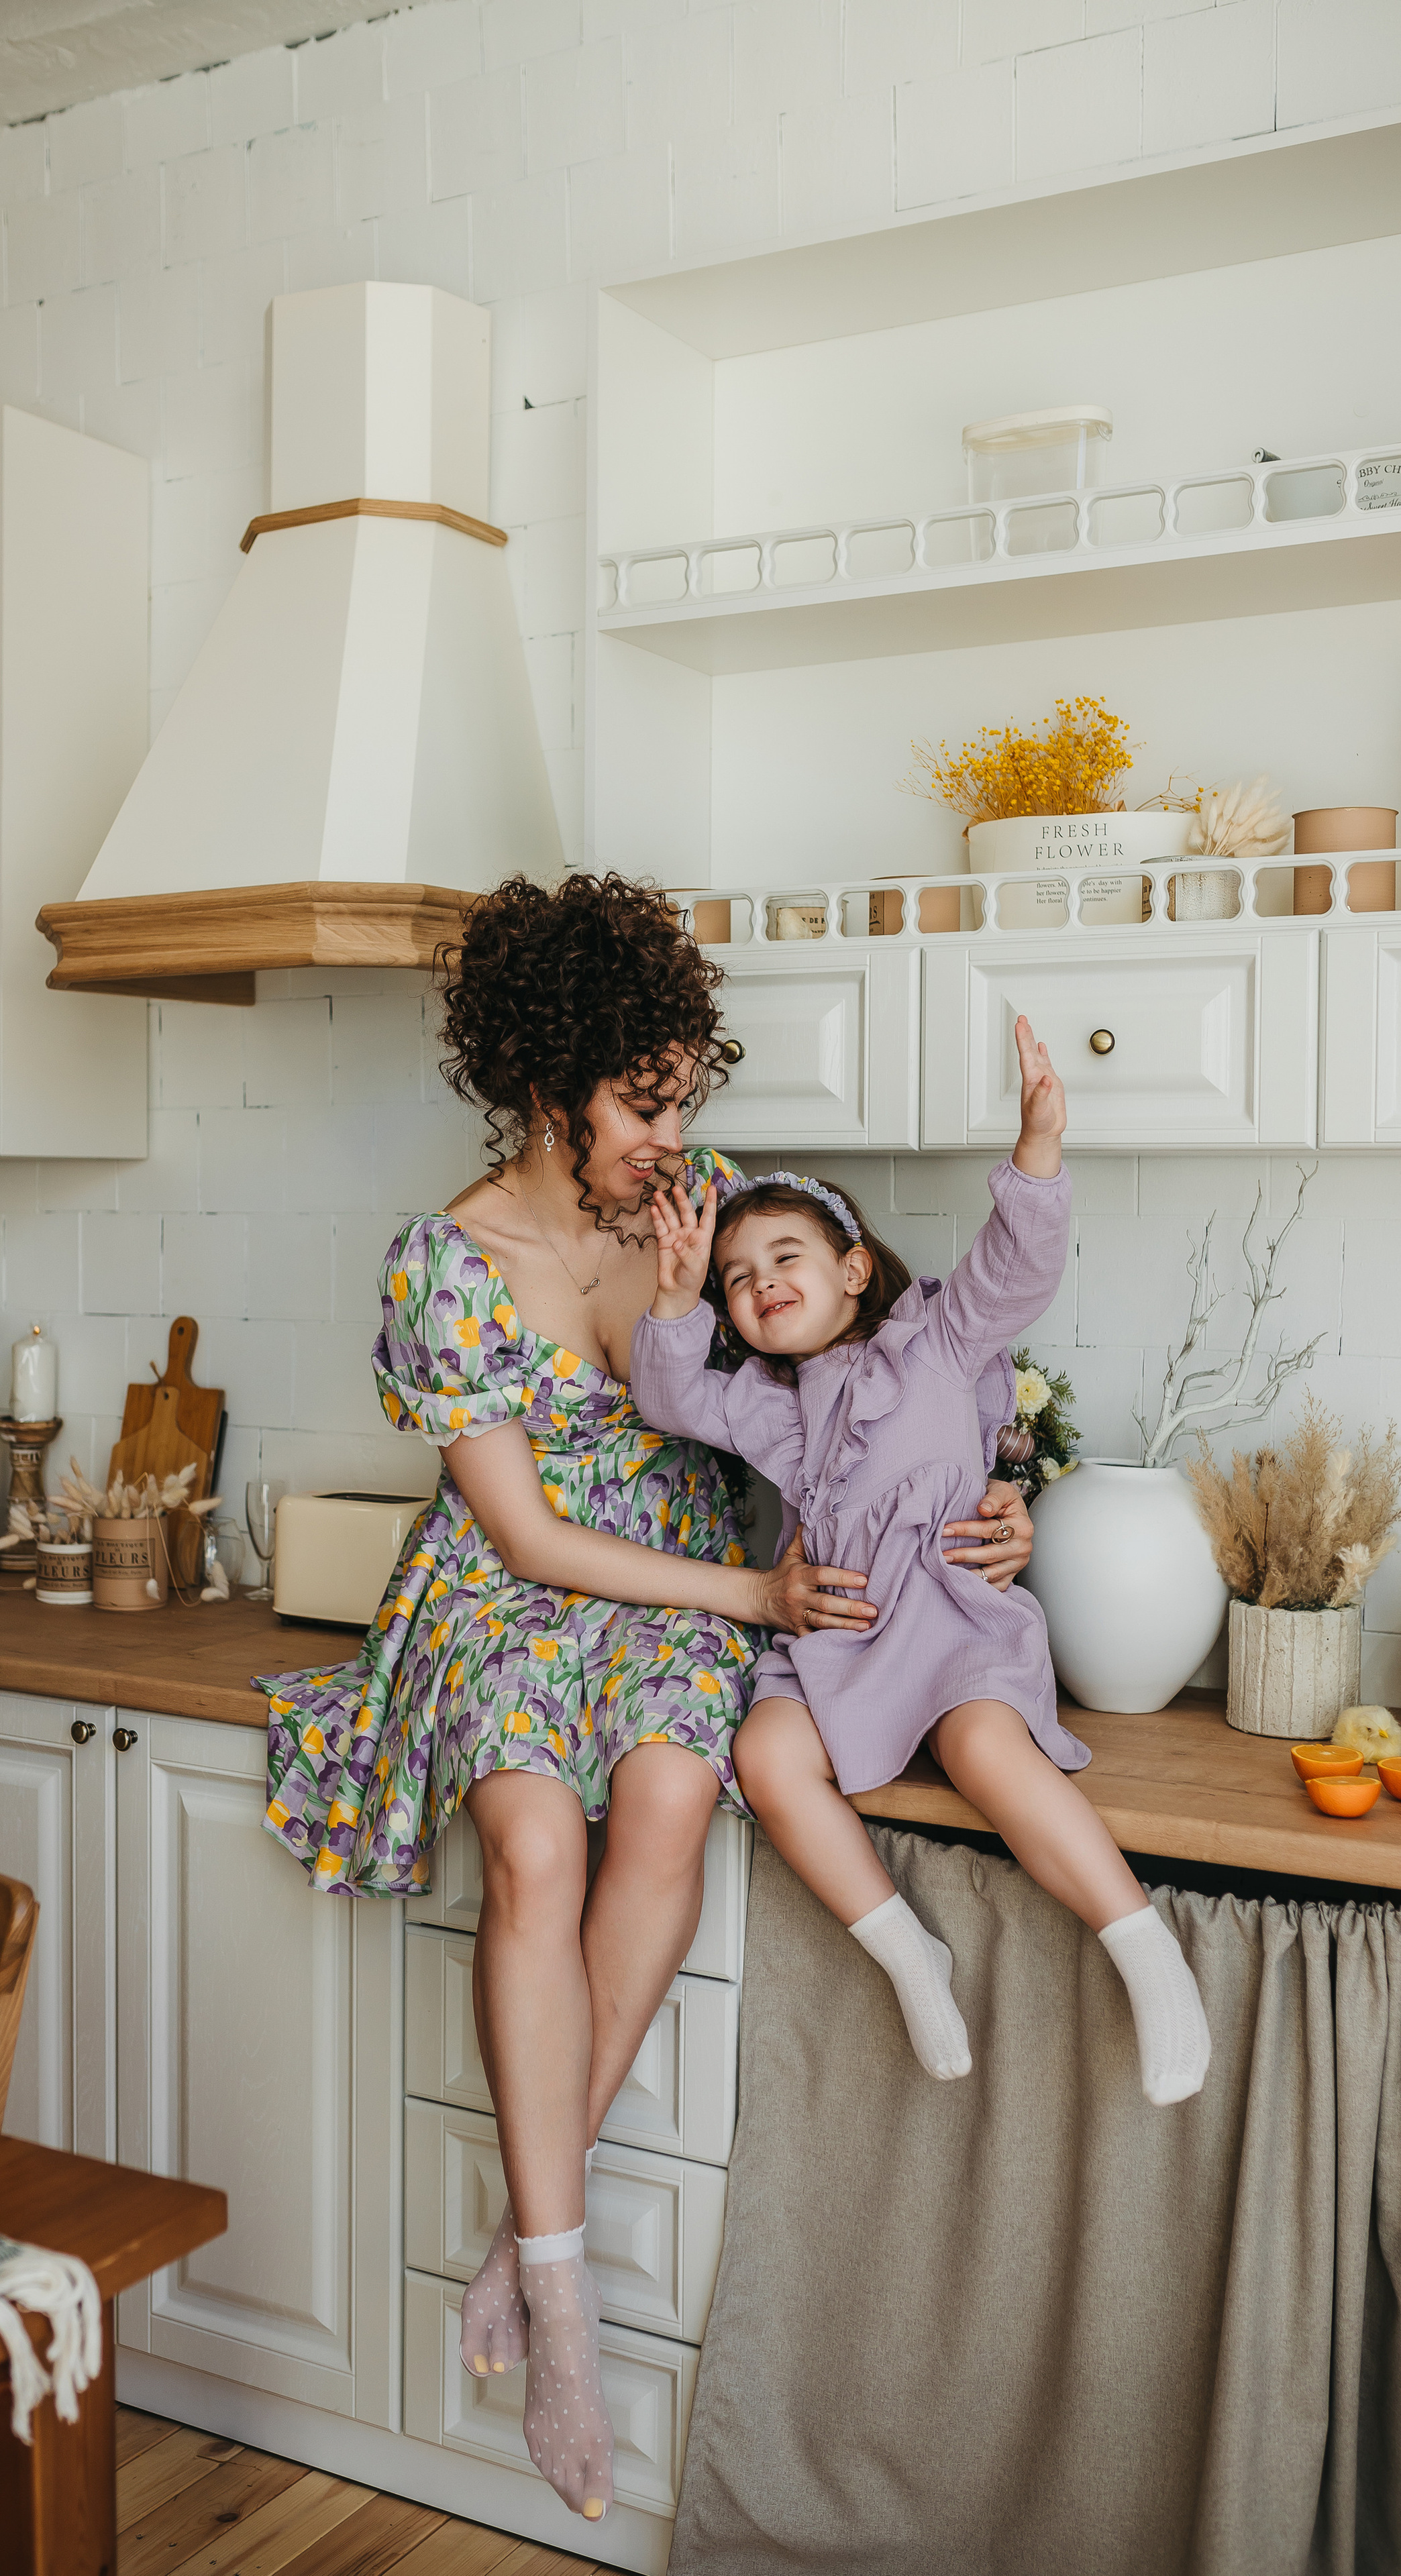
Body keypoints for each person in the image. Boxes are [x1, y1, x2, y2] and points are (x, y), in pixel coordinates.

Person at [260, 874, 1038, 2522]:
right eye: (641, 1099)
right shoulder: (448, 1262)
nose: (667, 1132)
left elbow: (906, 1384)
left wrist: (998, 1503)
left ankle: (516, 2238)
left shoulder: (694, 1222)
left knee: (675, 1794)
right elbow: (528, 1531)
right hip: (516, 1591)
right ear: (547, 1084)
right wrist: (756, 1593)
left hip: (683, 1572)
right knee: (537, 1846)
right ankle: (560, 2305)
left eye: (682, 1094)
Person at [631, 1014, 1212, 2111]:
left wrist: (1038, 1142)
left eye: (785, 1257)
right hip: (837, 1638)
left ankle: (1145, 1951)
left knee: (988, 1749)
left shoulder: (937, 1340)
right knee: (764, 1752)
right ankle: (908, 1954)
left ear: (855, 1269)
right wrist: (672, 1294)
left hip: (947, 1623)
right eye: (737, 1278)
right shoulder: (772, 1409)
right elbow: (670, 1394)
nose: (758, 1284)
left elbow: (1017, 1266)